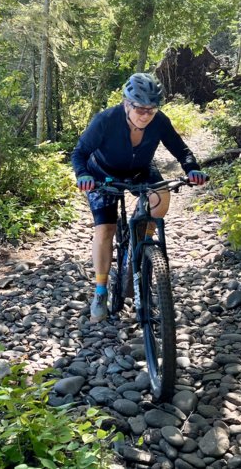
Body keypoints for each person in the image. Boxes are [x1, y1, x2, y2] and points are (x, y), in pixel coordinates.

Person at [71, 73, 208, 323]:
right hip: (102, 174)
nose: (145, 115)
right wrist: (82, 175)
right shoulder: (106, 120)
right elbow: (79, 153)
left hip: (140, 171)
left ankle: (140, 242)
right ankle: (101, 291)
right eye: (139, 108)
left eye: (151, 110)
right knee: (105, 229)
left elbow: (181, 149)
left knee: (162, 197)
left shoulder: (159, 122)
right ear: (126, 104)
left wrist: (192, 169)